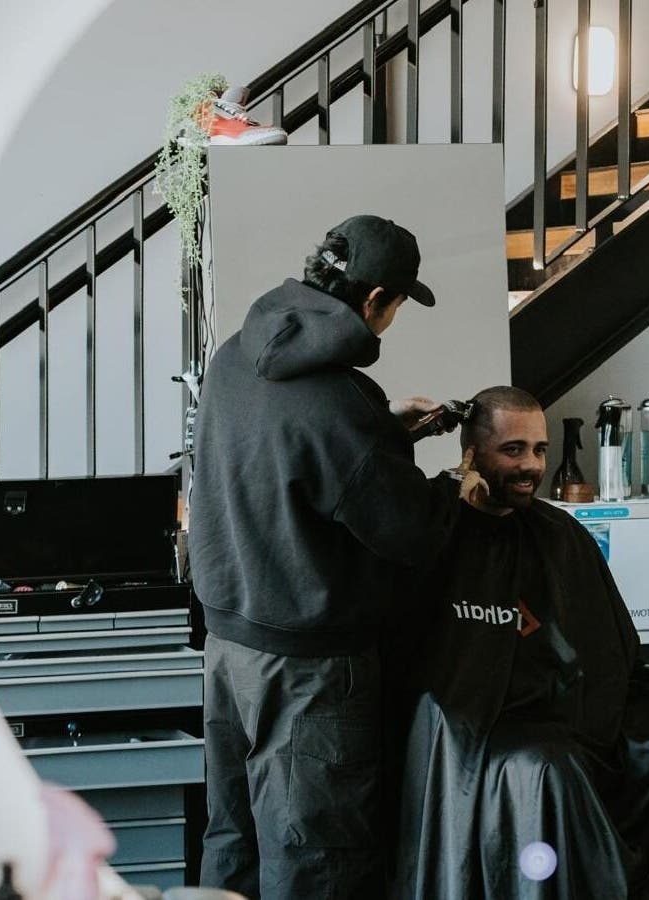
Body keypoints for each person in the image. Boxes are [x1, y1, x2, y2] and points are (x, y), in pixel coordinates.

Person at [188, 214, 485, 899]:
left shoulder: (236, 353)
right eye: (399, 304)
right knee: (315, 858)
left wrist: (386, 433)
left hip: (229, 650)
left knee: (234, 839)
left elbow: (291, 461)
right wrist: (457, 489)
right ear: (378, 298)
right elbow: (408, 531)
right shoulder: (339, 400)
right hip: (308, 670)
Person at [391, 386, 649, 900]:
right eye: (513, 450)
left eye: (540, 450)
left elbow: (611, 651)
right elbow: (423, 660)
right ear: (474, 451)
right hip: (484, 726)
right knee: (551, 769)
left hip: (580, 716)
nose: (531, 466)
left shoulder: (561, 534)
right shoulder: (436, 532)